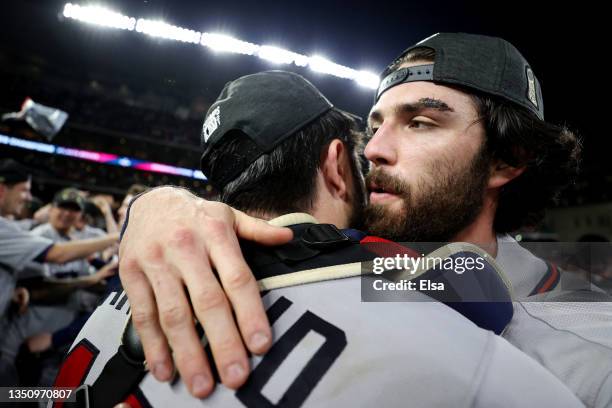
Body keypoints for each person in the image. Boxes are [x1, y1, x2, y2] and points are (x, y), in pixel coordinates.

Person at [55, 71, 582, 407]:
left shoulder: (142, 278)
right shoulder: (429, 327)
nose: (373, 157)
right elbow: (479, 289)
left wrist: (151, 204)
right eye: (363, 142)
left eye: (417, 124)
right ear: (334, 164)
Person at [0, 159, 119, 384]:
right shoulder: (40, 235)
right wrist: (88, 280)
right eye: (62, 207)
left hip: (59, 341)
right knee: (12, 395)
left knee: (44, 396)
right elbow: (41, 284)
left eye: (74, 209)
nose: (67, 213)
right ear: (51, 208)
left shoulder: (81, 241)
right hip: (25, 340)